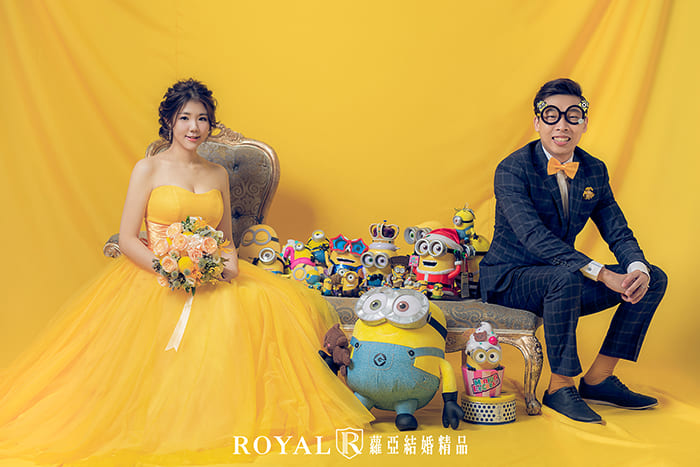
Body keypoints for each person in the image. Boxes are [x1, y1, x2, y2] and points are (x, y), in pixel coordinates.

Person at [0, 79, 373, 465]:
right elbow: (127, 237)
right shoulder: (148, 169)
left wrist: (226, 266)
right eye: (185, 118)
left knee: (263, 305)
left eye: (202, 119)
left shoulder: (217, 174)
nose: (194, 127)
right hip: (156, 275)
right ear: (169, 121)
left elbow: (225, 239)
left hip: (211, 275)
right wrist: (168, 270)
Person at [479, 78, 667, 424]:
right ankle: (559, 387)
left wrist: (636, 267)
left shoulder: (594, 169)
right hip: (510, 279)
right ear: (537, 123)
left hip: (561, 278)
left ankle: (599, 379)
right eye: (551, 115)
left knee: (652, 278)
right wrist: (603, 274)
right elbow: (533, 237)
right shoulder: (512, 169)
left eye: (572, 115)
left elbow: (616, 229)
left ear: (584, 123)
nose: (562, 125)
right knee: (563, 278)